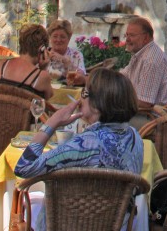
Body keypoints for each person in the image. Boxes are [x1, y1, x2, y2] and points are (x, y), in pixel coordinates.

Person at [14, 69, 144, 231]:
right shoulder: (136, 138)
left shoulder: (85, 144)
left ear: (97, 105)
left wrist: (52, 122)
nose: (80, 99)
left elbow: (24, 167)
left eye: (84, 93)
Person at [120, 16, 167, 111]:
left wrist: (116, 100)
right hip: (146, 113)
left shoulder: (150, 60)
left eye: (131, 35)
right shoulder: (141, 54)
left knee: (104, 115)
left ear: (145, 37)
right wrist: (100, 77)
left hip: (157, 119)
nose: (127, 39)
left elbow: (145, 103)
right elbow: (122, 77)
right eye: (126, 35)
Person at [0, 23, 53, 101]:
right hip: (24, 113)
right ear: (42, 49)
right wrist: (44, 68)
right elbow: (48, 98)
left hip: (1, 112)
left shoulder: (3, 64)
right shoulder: (41, 76)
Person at [46, 18, 86, 83]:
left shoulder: (76, 55)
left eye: (62, 37)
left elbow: (82, 78)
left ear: (69, 38)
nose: (58, 40)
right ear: (50, 37)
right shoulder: (44, 54)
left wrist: (66, 62)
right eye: (55, 36)